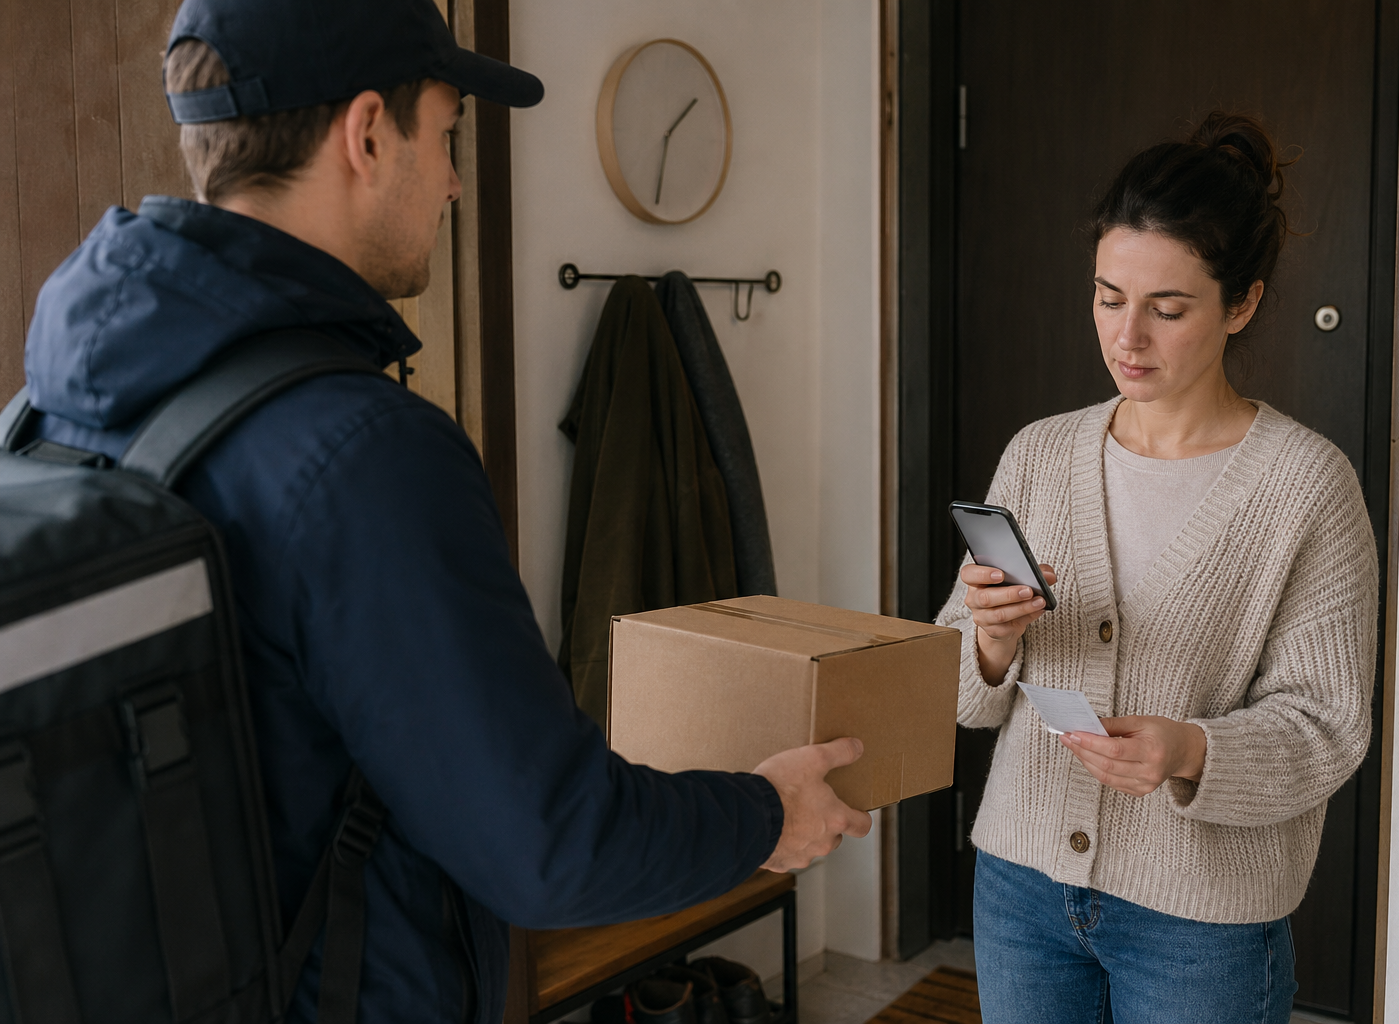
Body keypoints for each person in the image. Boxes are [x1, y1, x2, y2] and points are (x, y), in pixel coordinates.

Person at [19, 0, 870, 1020]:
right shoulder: (361, 447)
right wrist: (766, 813)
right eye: (449, 132)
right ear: (368, 133)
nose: (457, 182)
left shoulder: (53, 401)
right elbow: (551, 844)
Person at [938, 111, 1378, 1023]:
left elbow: (1328, 727)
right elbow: (960, 693)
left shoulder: (1307, 486)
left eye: (1167, 309)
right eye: (1107, 296)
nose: (1126, 337)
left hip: (1202, 916)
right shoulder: (1039, 453)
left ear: (1243, 304)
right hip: (1020, 882)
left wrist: (1191, 751)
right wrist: (984, 641)